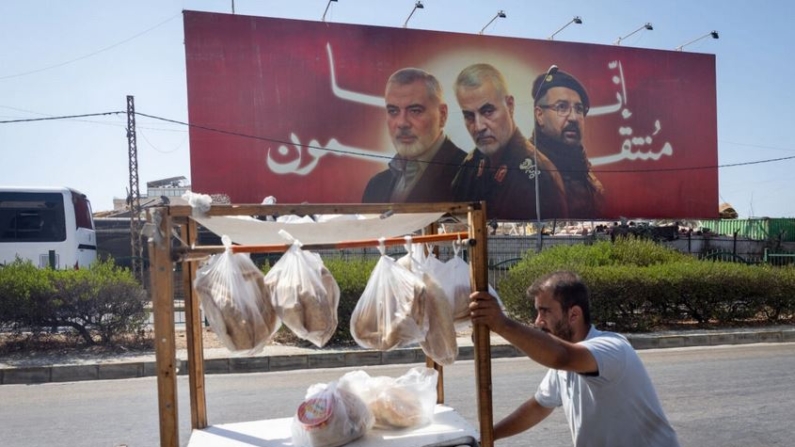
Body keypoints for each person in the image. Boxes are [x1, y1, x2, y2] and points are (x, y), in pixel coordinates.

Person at [469, 271, 680, 447]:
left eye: (545, 312)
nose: (538, 321)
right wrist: (486, 437)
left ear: (574, 315)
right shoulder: (564, 362)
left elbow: (561, 357)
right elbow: (538, 407)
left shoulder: (611, 348)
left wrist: (501, 324)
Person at [451, 63, 567, 220]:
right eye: (469, 116)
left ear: (510, 105)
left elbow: (550, 235)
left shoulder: (539, 176)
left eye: (488, 111)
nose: (478, 127)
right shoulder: (469, 166)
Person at [362, 68, 466, 203]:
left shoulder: (469, 177)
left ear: (442, 115)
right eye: (393, 111)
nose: (402, 123)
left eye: (415, 111)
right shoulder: (375, 186)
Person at [531, 69, 605, 218]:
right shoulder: (527, 167)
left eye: (579, 109)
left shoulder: (591, 181)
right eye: (562, 107)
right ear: (539, 115)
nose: (573, 118)